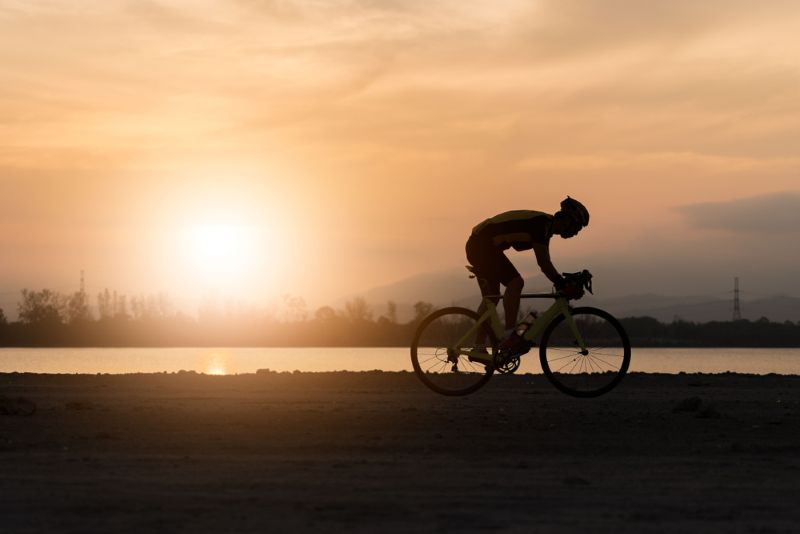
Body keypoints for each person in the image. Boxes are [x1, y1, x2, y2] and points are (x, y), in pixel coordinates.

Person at [465, 197, 590, 352]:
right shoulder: (541, 225)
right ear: (567, 221)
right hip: (481, 245)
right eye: (577, 228)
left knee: (492, 298)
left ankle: (478, 347)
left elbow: (544, 262)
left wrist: (560, 281)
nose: (576, 233)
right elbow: (544, 263)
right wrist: (561, 282)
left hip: (483, 245)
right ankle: (509, 335)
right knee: (516, 283)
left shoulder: (545, 226)